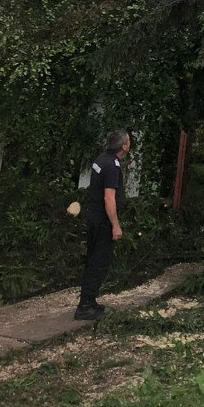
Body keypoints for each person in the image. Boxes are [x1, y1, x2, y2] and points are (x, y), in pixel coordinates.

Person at [75, 129, 131, 320]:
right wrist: (115, 225)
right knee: (99, 262)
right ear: (124, 146)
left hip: (93, 216)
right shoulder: (112, 166)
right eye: (128, 141)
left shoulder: (101, 159)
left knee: (93, 259)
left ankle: (90, 301)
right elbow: (109, 198)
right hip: (102, 221)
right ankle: (84, 306)